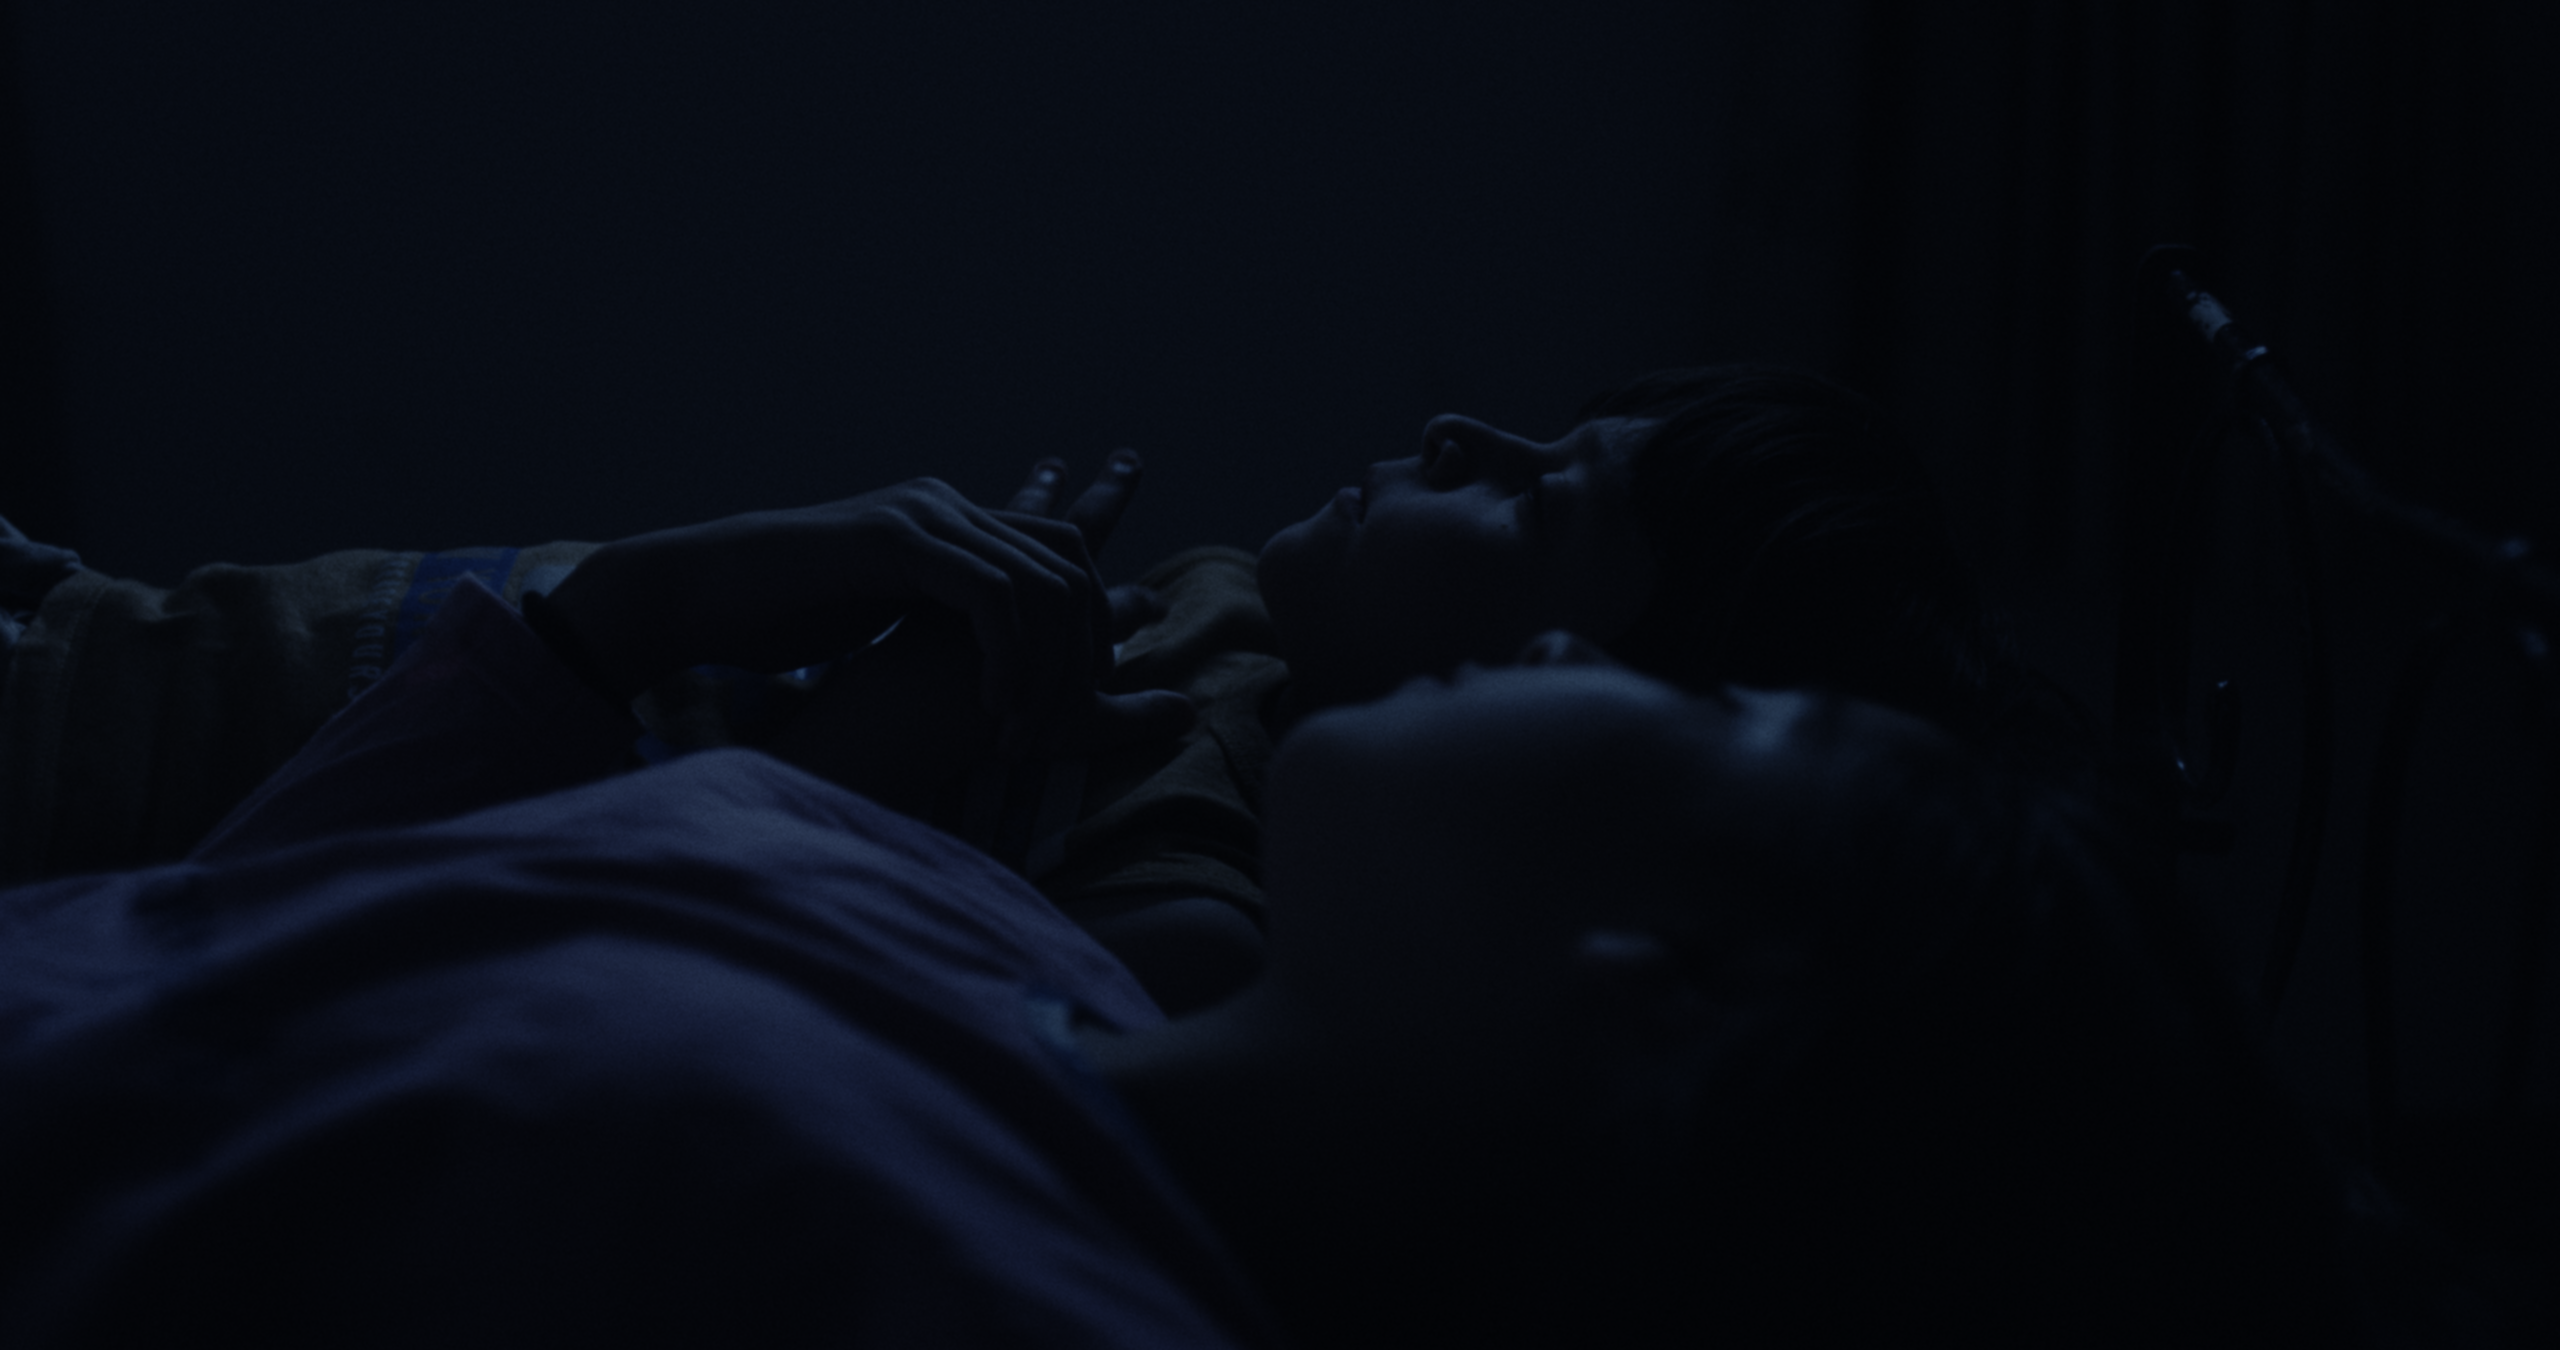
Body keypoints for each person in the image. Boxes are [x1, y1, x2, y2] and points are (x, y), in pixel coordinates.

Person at [0, 534, 2408, 1346]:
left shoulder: (985, 1292)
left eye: (1693, 705)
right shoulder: (992, 935)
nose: (1567, 652)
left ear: (1665, 994)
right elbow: (224, 944)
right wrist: (609, 624)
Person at [0, 365, 2075, 1013]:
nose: (1465, 429)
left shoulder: (1206, 807)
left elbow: (1158, 950)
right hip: (228, 655)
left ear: (1573, 694)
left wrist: (825, 722)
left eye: (1541, 503)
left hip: (184, 768)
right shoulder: (1217, 633)